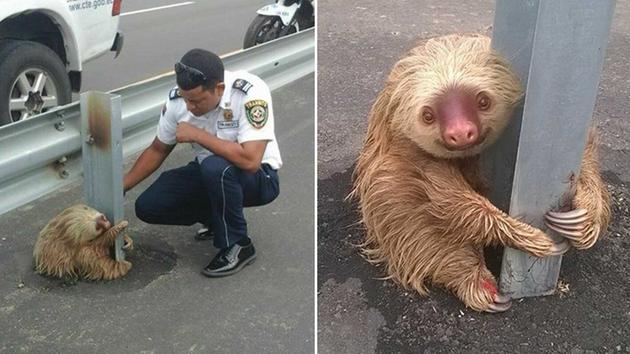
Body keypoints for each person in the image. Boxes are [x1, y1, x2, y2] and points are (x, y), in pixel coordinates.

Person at [123, 49, 281, 277]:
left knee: (216, 168)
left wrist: (198, 135)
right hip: (211, 174)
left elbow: (250, 161)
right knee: (149, 205)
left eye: (197, 101)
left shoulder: (249, 92)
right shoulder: (178, 101)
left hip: (259, 178)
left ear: (218, 89)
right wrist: (123, 186)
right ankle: (216, 219)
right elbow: (158, 149)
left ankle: (238, 244)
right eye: (186, 99)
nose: (189, 107)